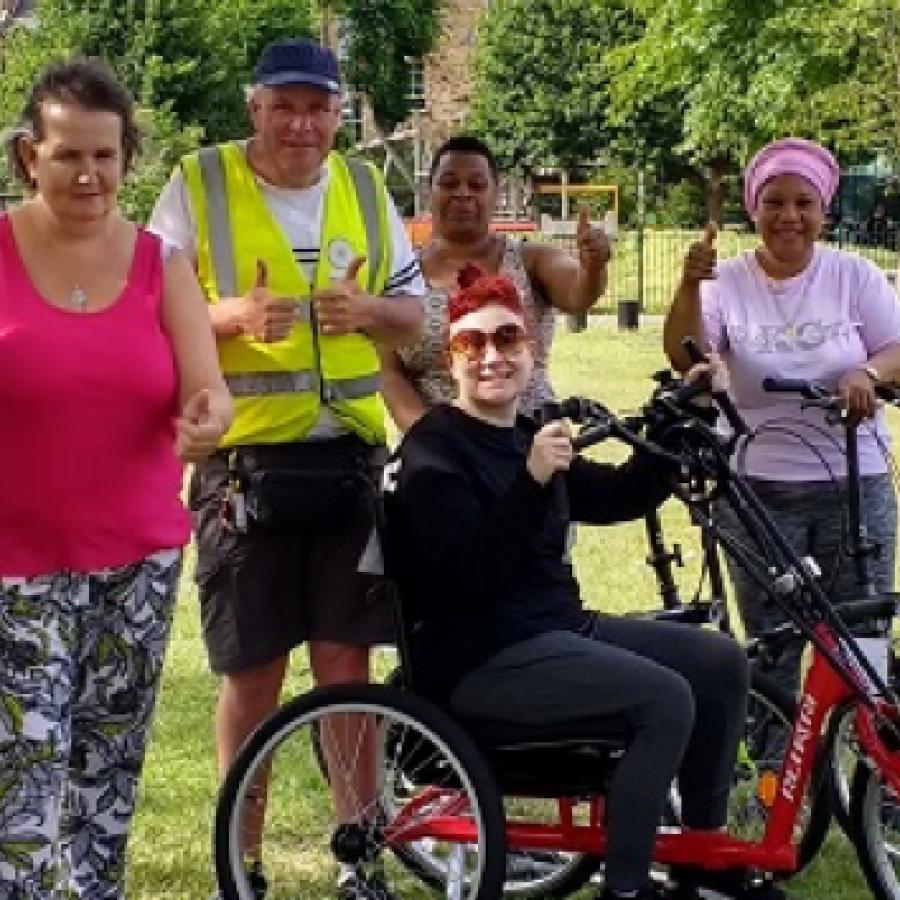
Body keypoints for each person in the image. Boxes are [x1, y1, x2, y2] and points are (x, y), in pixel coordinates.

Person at [148, 37, 424, 900]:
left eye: (320, 107)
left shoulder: (365, 186)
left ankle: (360, 857)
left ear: (339, 114)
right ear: (253, 107)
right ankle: (246, 861)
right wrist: (227, 316)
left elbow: (412, 318)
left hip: (347, 464)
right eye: (286, 105)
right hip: (244, 472)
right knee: (254, 674)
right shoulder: (199, 184)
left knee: (349, 669)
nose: (303, 125)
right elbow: (143, 308)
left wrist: (369, 309)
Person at [383, 265, 754, 900]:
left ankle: (701, 861)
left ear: (532, 348)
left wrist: (681, 415)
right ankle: (628, 888)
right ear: (452, 358)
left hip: (556, 630)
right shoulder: (434, 450)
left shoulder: (526, 433)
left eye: (508, 340)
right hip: (480, 659)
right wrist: (529, 485)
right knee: (664, 700)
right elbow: (464, 583)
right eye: (474, 345)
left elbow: (615, 496)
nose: (493, 357)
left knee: (717, 660)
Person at [0, 58, 232, 899]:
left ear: (127, 157)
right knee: (21, 799)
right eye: (68, 155)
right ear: (31, 155)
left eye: (105, 155)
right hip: (14, 572)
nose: (88, 174)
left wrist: (210, 419)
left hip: (135, 567)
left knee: (104, 788)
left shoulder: (159, 262)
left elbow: (209, 388)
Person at [664, 137, 900, 695]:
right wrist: (690, 284)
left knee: (860, 632)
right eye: (774, 202)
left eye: (803, 203)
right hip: (757, 491)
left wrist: (867, 372)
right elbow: (684, 353)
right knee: (772, 640)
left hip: (854, 483)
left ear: (823, 209)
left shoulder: (853, 276)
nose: (789, 216)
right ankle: (777, 770)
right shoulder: (727, 282)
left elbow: (895, 347)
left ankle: (858, 766)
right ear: (754, 207)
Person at [381, 135, 611, 430]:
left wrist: (593, 267)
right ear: (430, 192)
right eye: (449, 184)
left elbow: (578, 294)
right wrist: (430, 441)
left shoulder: (531, 260)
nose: (463, 194)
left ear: (496, 194)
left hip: (531, 444)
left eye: (476, 185)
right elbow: (390, 372)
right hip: (442, 455)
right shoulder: (400, 276)